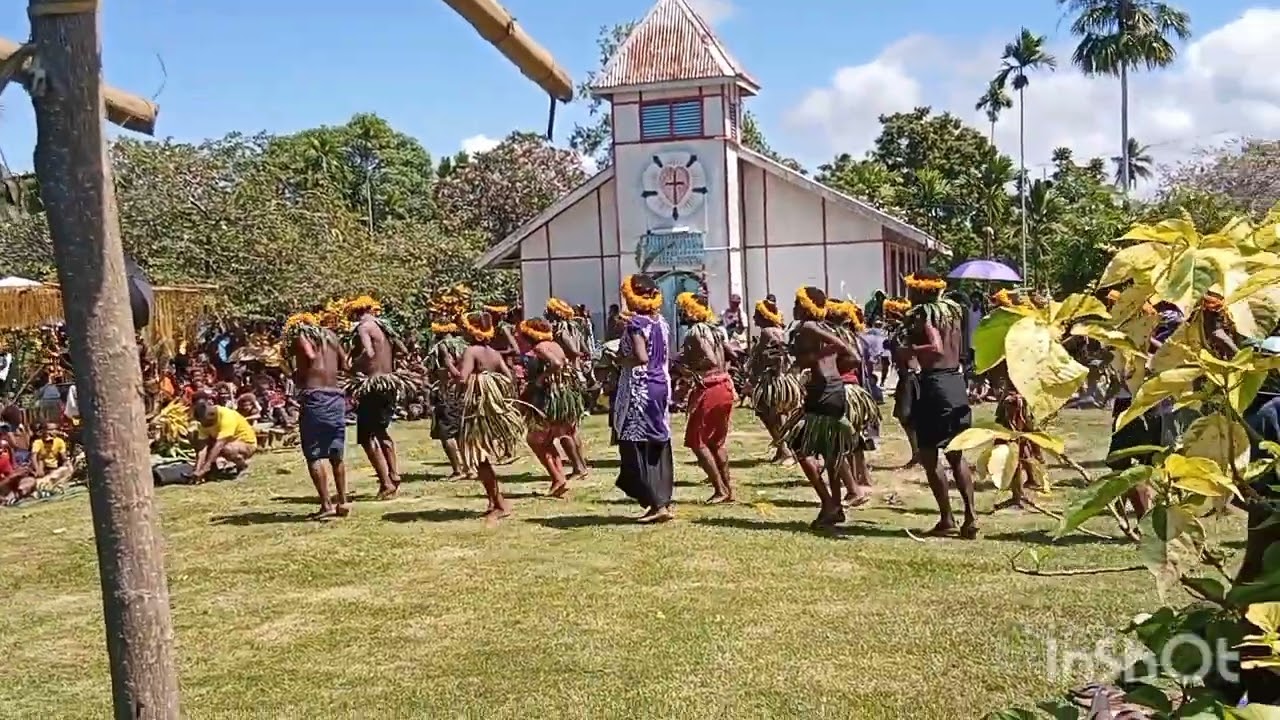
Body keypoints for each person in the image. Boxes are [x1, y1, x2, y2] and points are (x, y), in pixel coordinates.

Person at [903, 271, 977, 539]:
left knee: (929, 453)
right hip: (956, 383)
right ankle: (970, 517)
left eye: (911, 290)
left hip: (935, 386)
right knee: (956, 454)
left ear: (922, 292)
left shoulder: (924, 315)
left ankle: (947, 518)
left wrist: (909, 351)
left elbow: (934, 346)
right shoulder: (952, 314)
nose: (908, 296)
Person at [785, 286, 858, 528]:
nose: (793, 307)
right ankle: (834, 507)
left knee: (801, 448)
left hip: (823, 393)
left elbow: (846, 351)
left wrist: (816, 361)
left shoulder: (808, 326)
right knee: (830, 452)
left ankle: (828, 503)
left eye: (796, 303)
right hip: (834, 390)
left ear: (805, 307)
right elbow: (853, 359)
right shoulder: (824, 326)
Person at [613, 275, 675, 523]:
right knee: (658, 440)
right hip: (661, 384)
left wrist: (618, 360)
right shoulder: (660, 322)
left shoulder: (636, 324)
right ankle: (661, 500)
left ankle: (656, 501)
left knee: (636, 442)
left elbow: (640, 357)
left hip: (641, 387)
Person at [456, 311, 525, 524]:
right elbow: (508, 376)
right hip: (490, 410)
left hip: (479, 411)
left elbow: (463, 379)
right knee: (481, 458)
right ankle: (493, 501)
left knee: (480, 458)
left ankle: (500, 503)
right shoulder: (494, 353)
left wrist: (453, 368)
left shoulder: (472, 351)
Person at [286, 311, 350, 521]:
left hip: (316, 396)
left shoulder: (302, 334)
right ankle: (342, 501)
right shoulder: (331, 336)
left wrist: (298, 370)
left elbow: (311, 355)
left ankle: (326, 504)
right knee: (335, 451)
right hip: (336, 396)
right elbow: (346, 365)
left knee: (313, 453)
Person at [675, 291, 736, 503]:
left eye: (683, 308)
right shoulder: (716, 330)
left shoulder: (695, 332)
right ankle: (728, 490)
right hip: (725, 385)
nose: (680, 313)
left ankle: (720, 489)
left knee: (697, 441)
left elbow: (708, 360)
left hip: (710, 388)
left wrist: (686, 365)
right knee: (717, 442)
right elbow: (732, 354)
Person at [517, 317, 581, 498]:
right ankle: (559, 480)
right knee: (547, 440)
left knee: (535, 440)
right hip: (560, 396)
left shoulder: (540, 347)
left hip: (547, 398)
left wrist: (539, 379)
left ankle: (558, 478)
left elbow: (557, 364)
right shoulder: (555, 345)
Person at [347, 295, 402, 500]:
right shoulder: (384, 328)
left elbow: (369, 353)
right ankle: (394, 474)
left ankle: (386, 482)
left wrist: (353, 365)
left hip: (373, 385)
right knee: (381, 430)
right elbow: (401, 350)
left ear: (356, 312)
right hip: (388, 382)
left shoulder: (364, 327)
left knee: (366, 437)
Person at [825, 299, 879, 508]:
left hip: (845, 389)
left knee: (841, 439)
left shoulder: (836, 337)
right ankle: (862, 476)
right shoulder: (854, 337)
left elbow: (853, 361)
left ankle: (853, 487)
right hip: (856, 389)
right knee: (855, 436)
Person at [748, 297, 800, 463]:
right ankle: (783, 449)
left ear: (764, 316)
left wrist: (765, 370)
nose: (754, 318)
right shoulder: (779, 330)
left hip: (774, 380)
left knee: (769, 415)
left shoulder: (767, 332)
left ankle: (785, 450)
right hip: (781, 378)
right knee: (779, 415)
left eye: (756, 315)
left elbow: (775, 355)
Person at [545, 297, 590, 478]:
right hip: (575, 377)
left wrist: (570, 356)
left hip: (565, 380)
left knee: (563, 428)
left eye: (548, 310)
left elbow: (574, 350)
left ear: (555, 313)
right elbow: (585, 349)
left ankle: (579, 467)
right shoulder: (576, 328)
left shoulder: (562, 331)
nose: (546, 313)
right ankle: (581, 466)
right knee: (571, 428)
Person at [429, 318, 472, 481]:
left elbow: (448, 363)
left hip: (448, 390)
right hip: (463, 390)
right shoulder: (463, 344)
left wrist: (456, 376)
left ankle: (457, 470)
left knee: (446, 432)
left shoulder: (442, 346)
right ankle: (469, 468)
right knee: (461, 430)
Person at [883, 297, 919, 466]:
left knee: (906, 415)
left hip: (911, 376)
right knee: (905, 416)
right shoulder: (899, 330)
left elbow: (906, 351)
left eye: (888, 313)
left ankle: (919, 452)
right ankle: (917, 452)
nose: (885, 317)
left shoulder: (905, 330)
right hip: (906, 376)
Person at [192, 397, 257, 482]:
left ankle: (243, 467)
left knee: (226, 448)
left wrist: (205, 467)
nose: (204, 425)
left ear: (211, 414)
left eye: (205, 422)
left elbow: (219, 445)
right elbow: (202, 449)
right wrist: (197, 469)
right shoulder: (203, 422)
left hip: (246, 444)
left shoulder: (226, 416)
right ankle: (212, 472)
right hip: (226, 444)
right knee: (202, 441)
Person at [30, 422, 73, 494]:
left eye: (54, 429)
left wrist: (68, 464)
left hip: (55, 469)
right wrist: (37, 470)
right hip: (42, 469)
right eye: (50, 429)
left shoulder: (60, 441)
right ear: (43, 430)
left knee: (66, 469)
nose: (53, 431)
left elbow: (63, 457)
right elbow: (33, 457)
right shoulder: (38, 442)